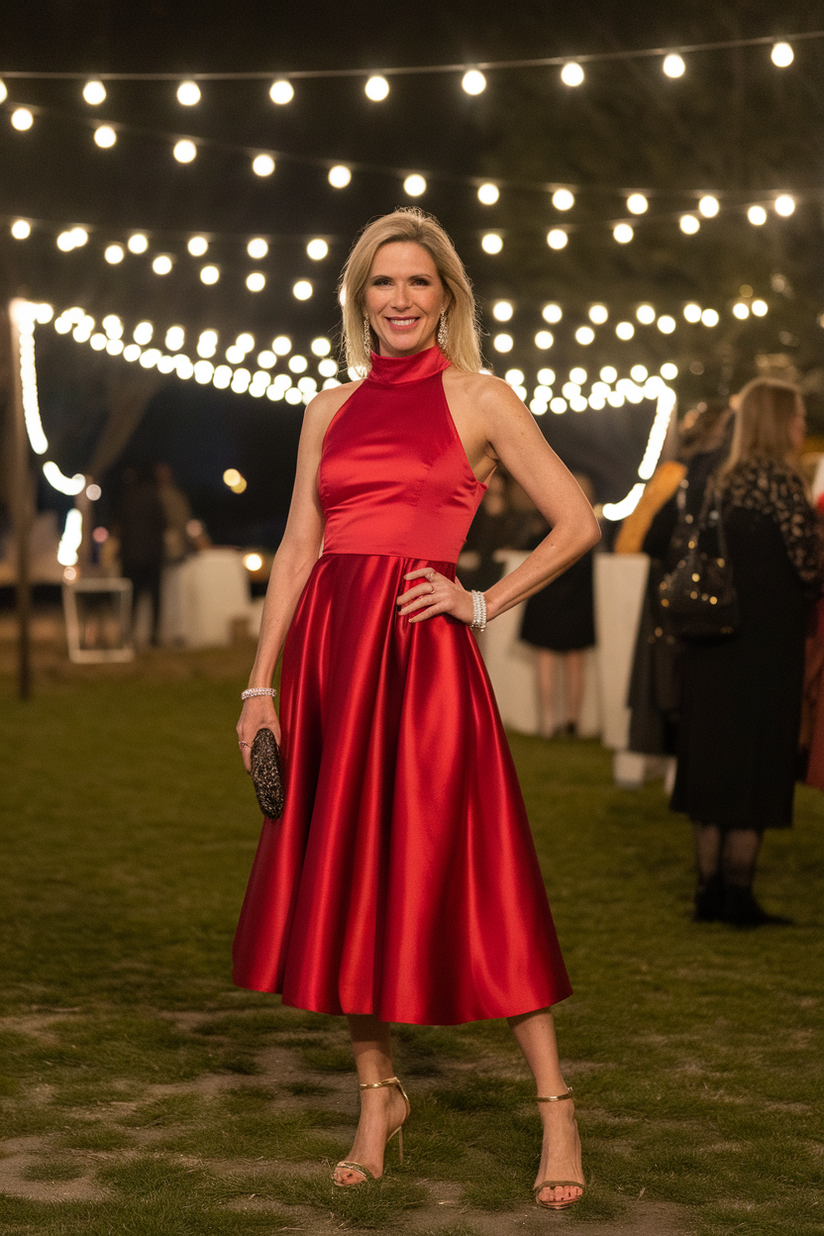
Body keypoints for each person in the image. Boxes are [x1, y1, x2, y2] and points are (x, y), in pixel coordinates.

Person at [232, 209, 599, 1209]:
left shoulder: (478, 397)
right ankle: (375, 1097)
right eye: (382, 284)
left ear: (446, 297)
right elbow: (300, 553)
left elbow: (575, 521)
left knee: (475, 866)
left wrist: (479, 600)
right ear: (360, 299)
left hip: (423, 665)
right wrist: (260, 685)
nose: (398, 299)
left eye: (417, 284)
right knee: (343, 870)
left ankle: (555, 1107)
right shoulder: (326, 406)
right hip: (327, 663)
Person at [670, 378, 821, 925]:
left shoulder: (722, 481)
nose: (803, 425)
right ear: (780, 421)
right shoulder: (784, 483)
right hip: (764, 647)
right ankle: (740, 894)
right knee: (755, 762)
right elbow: (809, 567)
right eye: (798, 415)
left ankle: (708, 891)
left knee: (712, 763)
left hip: (714, 641)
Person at [520, 474, 596, 738]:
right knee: (575, 660)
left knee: (547, 659)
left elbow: (529, 553)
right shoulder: (589, 525)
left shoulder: (543, 523)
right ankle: (571, 721)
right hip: (576, 597)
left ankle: (549, 723)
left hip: (547, 596)